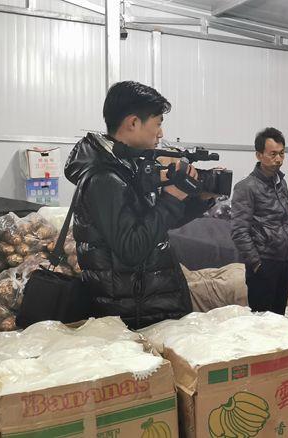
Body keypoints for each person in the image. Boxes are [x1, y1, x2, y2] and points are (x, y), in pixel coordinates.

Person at [64, 81, 215, 329]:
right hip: (134, 315)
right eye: (158, 123)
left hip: (145, 305)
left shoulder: (128, 167)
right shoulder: (105, 178)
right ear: (133, 123)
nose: (161, 133)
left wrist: (199, 200)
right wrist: (171, 198)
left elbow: (154, 225)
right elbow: (131, 249)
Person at [230, 127, 288, 315]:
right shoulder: (246, 187)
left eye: (282, 153)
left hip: (285, 261)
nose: (278, 159)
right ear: (259, 155)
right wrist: (256, 264)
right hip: (264, 263)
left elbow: (284, 220)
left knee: (279, 318)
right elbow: (239, 231)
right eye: (273, 154)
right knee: (261, 323)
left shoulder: (281, 183)